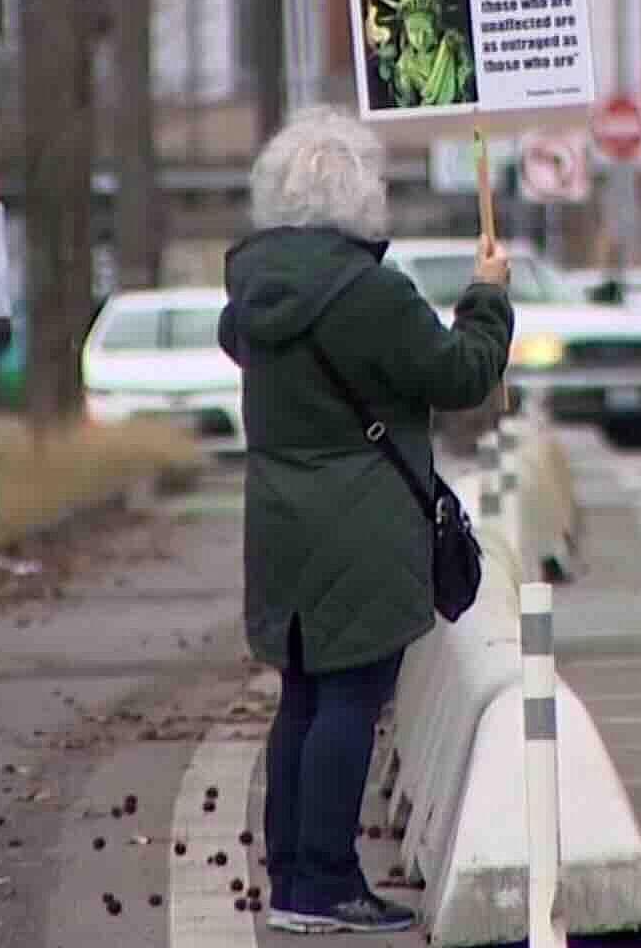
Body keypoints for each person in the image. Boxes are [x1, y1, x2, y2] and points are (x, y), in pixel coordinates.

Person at [219, 107, 512, 935]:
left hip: (278, 517)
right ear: (360, 199)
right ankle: (327, 883)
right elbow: (459, 375)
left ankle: (291, 876)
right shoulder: (371, 294)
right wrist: (488, 299)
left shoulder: (251, 288)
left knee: (304, 694)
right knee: (352, 697)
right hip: (363, 519)